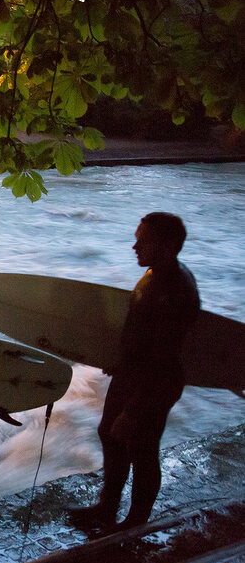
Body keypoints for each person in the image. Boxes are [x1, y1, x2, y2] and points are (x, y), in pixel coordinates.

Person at [69, 212, 200, 533]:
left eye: (143, 241)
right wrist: (121, 361)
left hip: (155, 382)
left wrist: (135, 407)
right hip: (133, 373)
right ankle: (107, 508)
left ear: (167, 245)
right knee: (110, 435)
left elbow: (163, 356)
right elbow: (142, 334)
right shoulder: (155, 275)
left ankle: (135, 522)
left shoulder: (175, 288)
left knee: (141, 448)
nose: (134, 246)